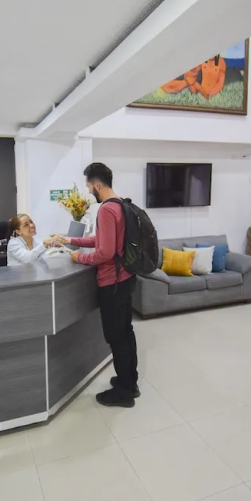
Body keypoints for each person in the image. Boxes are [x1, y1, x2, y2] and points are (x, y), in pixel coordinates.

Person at [57, 163, 139, 408]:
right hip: (126, 278)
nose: (89, 191)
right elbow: (103, 240)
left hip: (112, 282)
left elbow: (105, 252)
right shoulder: (121, 204)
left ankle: (123, 393)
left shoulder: (106, 210)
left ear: (97, 184)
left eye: (89, 186)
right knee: (126, 332)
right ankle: (130, 382)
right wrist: (71, 239)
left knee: (116, 337)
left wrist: (78, 257)